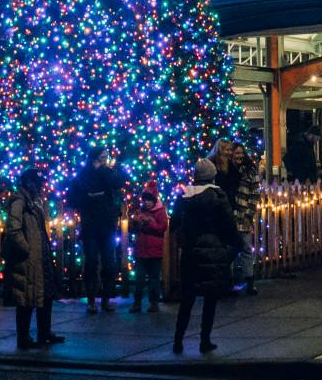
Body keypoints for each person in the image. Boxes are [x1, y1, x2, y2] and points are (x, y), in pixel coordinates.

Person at [171, 158, 243, 353]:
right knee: (210, 300)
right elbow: (228, 224)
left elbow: (174, 222)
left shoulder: (184, 196)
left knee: (187, 300)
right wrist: (236, 244)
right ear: (212, 176)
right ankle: (205, 340)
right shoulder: (218, 196)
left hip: (191, 251)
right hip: (213, 250)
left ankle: (178, 340)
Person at [3, 168, 65, 348]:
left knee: (44, 295)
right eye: (37, 184)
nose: (40, 187)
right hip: (29, 258)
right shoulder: (19, 202)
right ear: (29, 184)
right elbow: (13, 229)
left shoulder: (33, 201)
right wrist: (27, 249)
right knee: (26, 299)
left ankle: (44, 332)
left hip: (39, 256)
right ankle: (23, 337)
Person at [67, 147, 126, 313]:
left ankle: (106, 299)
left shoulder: (107, 172)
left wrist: (103, 170)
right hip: (91, 225)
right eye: (102, 157)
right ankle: (92, 300)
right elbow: (73, 197)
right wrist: (87, 198)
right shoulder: (84, 175)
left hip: (107, 225)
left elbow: (118, 182)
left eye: (106, 157)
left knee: (109, 263)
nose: (105, 160)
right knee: (91, 262)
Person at [213, 137, 264, 295]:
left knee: (246, 248)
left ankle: (249, 281)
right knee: (230, 249)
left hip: (244, 216)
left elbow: (255, 194)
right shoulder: (227, 170)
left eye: (241, 153)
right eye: (235, 153)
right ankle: (231, 281)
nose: (238, 156)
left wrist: (249, 213)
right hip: (230, 216)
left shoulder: (249, 171)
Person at [128, 180, 168, 312]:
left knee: (154, 279)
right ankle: (137, 302)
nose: (146, 203)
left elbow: (162, 227)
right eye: (145, 200)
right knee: (139, 279)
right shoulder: (141, 211)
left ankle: (154, 302)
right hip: (141, 251)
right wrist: (135, 223)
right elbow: (133, 229)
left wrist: (150, 223)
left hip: (154, 252)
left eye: (149, 200)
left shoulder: (160, 212)